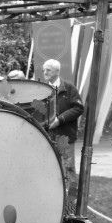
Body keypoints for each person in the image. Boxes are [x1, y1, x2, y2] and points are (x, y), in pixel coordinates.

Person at [40, 58, 84, 211]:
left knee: (69, 168)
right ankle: (53, 201)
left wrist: (60, 120)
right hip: (47, 137)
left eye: (48, 70)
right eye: (44, 70)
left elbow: (79, 108)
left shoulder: (69, 88)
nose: (45, 72)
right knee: (50, 168)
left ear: (57, 71)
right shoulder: (42, 89)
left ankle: (71, 203)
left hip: (65, 136)